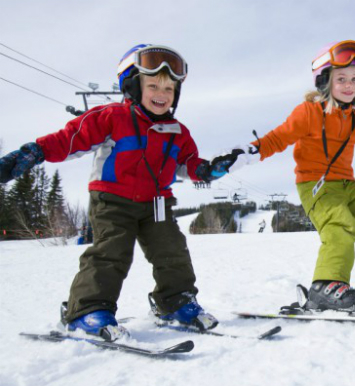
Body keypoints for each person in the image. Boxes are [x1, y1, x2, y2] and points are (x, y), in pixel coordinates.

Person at [0, 44, 236, 341]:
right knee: (112, 253)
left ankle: (175, 302)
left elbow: (187, 163)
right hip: (112, 199)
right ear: (133, 86)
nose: (162, 94)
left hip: (157, 203)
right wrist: (34, 152)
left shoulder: (178, 131)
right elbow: (71, 138)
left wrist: (206, 170)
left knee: (172, 251)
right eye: (153, 85)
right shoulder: (112, 117)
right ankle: (86, 311)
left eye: (169, 88)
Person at [217, 40, 355, 311]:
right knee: (341, 225)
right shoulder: (309, 113)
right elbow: (278, 138)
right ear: (325, 81)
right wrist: (247, 153)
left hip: (347, 185)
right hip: (315, 185)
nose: (350, 85)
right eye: (342, 79)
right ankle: (326, 285)